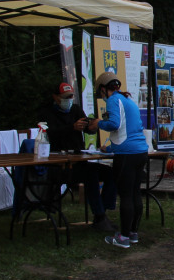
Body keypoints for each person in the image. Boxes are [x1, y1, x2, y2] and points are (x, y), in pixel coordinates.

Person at [38, 81, 116, 232]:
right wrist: (71, 128)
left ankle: (103, 212)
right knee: (91, 174)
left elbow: (88, 129)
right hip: (58, 166)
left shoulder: (75, 110)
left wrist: (92, 126)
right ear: (55, 97)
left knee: (111, 172)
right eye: (65, 97)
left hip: (79, 161)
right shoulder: (46, 113)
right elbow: (49, 134)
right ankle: (100, 217)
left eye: (71, 96)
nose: (68, 100)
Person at [94, 72, 148, 249]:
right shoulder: (128, 101)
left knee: (125, 195)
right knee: (135, 193)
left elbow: (114, 124)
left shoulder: (113, 100)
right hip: (140, 151)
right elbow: (129, 131)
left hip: (126, 155)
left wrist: (98, 123)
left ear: (103, 89)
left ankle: (123, 237)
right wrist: (109, 148)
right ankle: (133, 233)